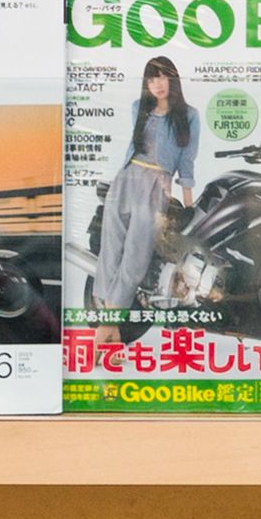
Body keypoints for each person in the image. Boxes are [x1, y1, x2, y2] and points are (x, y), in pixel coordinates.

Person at [93, 57, 200, 321]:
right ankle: (109, 319)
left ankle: (110, 319)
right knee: (111, 249)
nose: (157, 84)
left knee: (136, 256)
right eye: (151, 79)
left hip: (156, 186)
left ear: (172, 79)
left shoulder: (189, 116)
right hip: (127, 178)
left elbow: (186, 163)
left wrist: (188, 206)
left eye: (162, 77)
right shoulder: (137, 108)